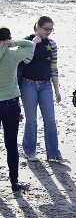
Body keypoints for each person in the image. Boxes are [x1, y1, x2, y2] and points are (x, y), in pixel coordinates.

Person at [0, 26, 40, 192]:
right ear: (7, 40)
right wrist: (12, 43)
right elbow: (30, 45)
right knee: (11, 145)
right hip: (10, 102)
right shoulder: (13, 54)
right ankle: (14, 182)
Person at [20, 16, 63, 162]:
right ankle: (29, 150)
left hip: (45, 85)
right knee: (31, 120)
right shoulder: (26, 41)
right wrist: (33, 44)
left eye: (51, 29)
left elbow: (54, 68)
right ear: (38, 27)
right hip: (28, 84)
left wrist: (57, 90)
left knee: (50, 119)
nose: (49, 32)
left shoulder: (52, 44)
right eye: (46, 29)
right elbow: (25, 60)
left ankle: (53, 153)